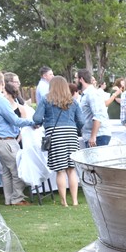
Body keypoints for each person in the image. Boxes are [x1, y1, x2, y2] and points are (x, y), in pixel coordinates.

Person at [0, 70, 35, 205]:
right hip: (5, 140)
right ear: (3, 83)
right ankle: (17, 199)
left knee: (7, 171)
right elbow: (15, 120)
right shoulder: (0, 100)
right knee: (18, 169)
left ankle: (9, 199)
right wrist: (33, 122)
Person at [33, 76, 84, 207]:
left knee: (60, 170)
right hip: (71, 134)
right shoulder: (72, 100)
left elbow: (37, 118)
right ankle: (75, 200)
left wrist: (44, 121)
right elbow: (82, 121)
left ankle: (64, 202)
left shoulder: (45, 99)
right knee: (71, 169)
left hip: (55, 135)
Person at [77, 69, 111, 147]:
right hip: (93, 136)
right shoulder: (87, 94)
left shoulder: (91, 93)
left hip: (98, 136)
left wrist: (93, 136)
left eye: (76, 78)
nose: (75, 81)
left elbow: (98, 116)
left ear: (81, 79)